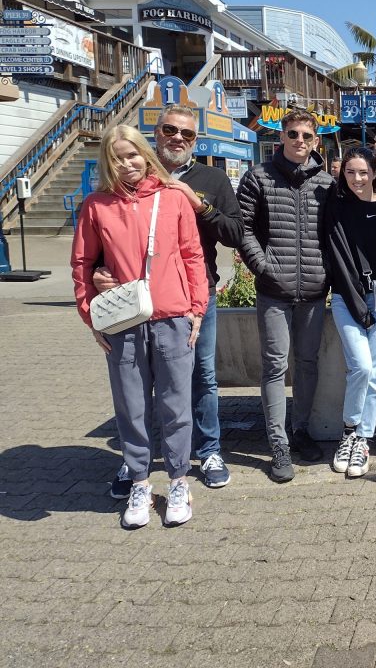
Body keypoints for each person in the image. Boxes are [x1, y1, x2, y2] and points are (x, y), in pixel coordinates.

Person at [98, 105, 243, 496]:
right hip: (135, 302)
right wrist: (97, 272)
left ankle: (209, 450)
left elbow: (234, 232)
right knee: (137, 383)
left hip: (196, 296)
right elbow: (104, 234)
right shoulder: (128, 178)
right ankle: (137, 463)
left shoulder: (210, 178)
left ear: (196, 140)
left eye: (188, 134)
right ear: (156, 133)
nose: (178, 138)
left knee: (202, 377)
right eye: (170, 130)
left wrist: (200, 205)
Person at [71, 125, 207, 528]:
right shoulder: (97, 206)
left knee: (176, 406)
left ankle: (179, 480)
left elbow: (192, 255)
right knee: (131, 408)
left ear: (146, 155)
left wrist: (196, 309)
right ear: (107, 163)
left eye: (132, 155)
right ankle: (140, 482)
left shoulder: (172, 199)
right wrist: (89, 311)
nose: (127, 164)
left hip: (172, 318)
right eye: (117, 157)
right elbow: (83, 263)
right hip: (122, 322)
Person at [237, 109, 334, 482]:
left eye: (306, 136)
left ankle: (301, 430)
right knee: (275, 367)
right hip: (273, 292)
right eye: (293, 134)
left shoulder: (326, 182)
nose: (299, 142)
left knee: (308, 365)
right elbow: (243, 228)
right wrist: (263, 267)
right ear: (282, 136)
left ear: (315, 140)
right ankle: (277, 444)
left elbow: (332, 233)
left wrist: (325, 272)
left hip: (313, 289)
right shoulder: (259, 177)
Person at [322, 147, 376, 478]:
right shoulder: (335, 207)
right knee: (361, 367)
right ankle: (350, 430)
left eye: (363, 172)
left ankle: (363, 440)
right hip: (346, 297)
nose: (357, 178)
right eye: (350, 172)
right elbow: (334, 256)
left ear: (374, 172)